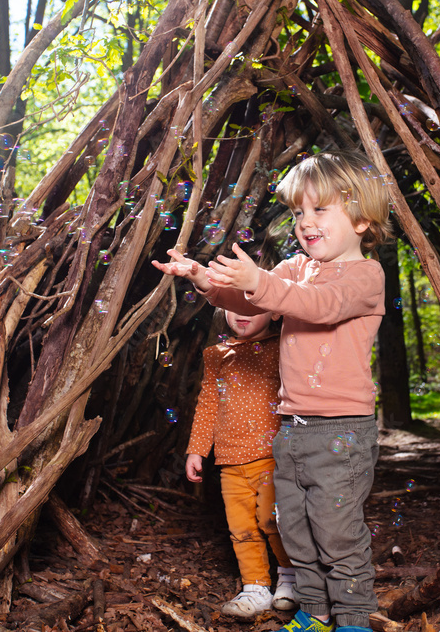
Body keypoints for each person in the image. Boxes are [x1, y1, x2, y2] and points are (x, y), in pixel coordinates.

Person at [154, 151, 393, 632]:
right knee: (295, 527)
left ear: (362, 219)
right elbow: (247, 299)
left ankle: (350, 618)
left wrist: (260, 281)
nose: (305, 222)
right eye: (297, 212)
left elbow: (318, 306)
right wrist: (203, 278)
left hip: (342, 430)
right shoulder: (293, 269)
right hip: (293, 428)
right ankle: (315, 611)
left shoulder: (365, 277)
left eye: (319, 209)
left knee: (337, 531)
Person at [185, 306, 296, 618]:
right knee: (241, 526)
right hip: (229, 460)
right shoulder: (216, 354)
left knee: (273, 521)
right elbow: (208, 402)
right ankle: (256, 587)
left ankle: (290, 577)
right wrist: (197, 450)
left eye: (252, 306)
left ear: (274, 312)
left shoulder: (284, 347)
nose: (240, 313)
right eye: (232, 305)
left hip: (271, 456)